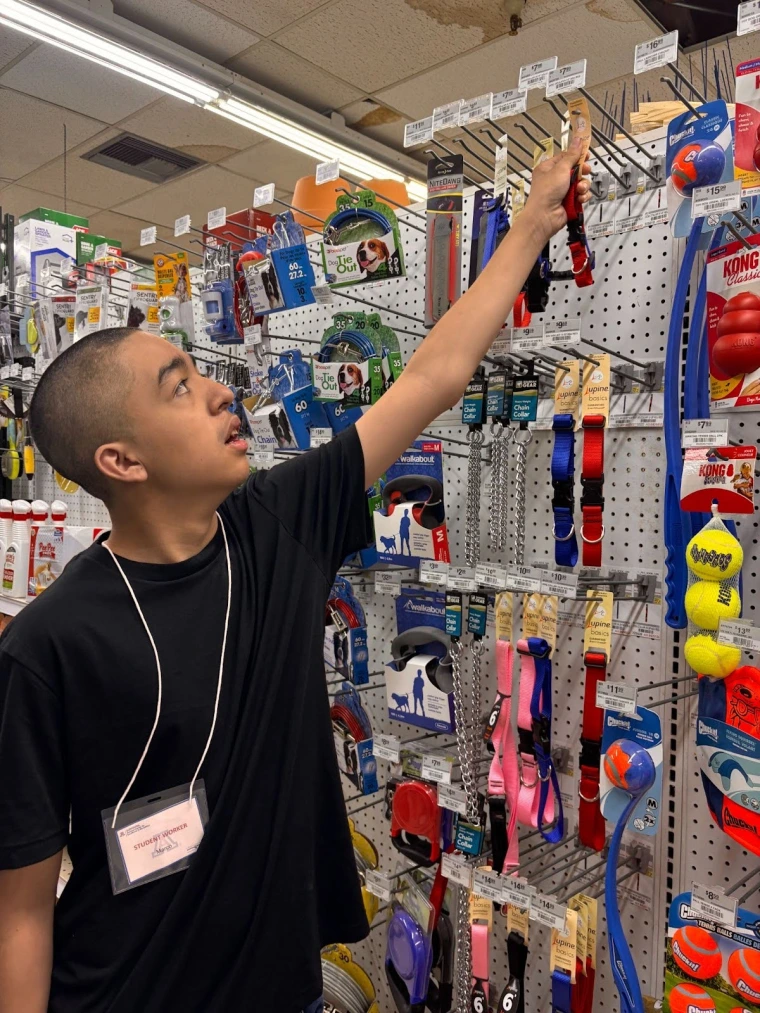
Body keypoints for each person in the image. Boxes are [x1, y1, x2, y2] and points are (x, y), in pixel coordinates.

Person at [0, 141, 590, 1013]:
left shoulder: (277, 522)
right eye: (178, 387)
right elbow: (20, 909)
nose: (217, 394)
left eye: (200, 372)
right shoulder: (45, 646)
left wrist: (534, 222)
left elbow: (431, 375)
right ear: (120, 460)